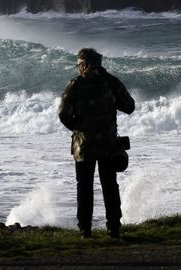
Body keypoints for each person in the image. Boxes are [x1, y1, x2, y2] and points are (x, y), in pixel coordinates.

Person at [58, 48, 135, 238]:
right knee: (109, 185)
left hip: (83, 146)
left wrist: (78, 128)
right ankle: (114, 227)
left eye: (79, 65)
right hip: (109, 144)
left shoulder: (75, 84)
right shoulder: (111, 82)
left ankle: (85, 228)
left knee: (84, 186)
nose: (78, 69)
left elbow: (63, 113)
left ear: (84, 64)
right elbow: (129, 106)